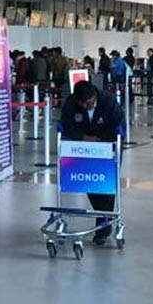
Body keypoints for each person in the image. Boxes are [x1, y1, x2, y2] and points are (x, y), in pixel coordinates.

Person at [58, 80, 125, 245]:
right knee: (89, 182)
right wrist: (83, 138)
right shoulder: (72, 103)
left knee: (106, 185)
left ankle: (102, 228)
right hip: (83, 148)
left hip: (107, 147)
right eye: (82, 103)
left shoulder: (108, 101)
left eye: (88, 103)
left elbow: (118, 124)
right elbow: (67, 124)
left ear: (94, 96)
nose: (86, 106)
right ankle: (104, 218)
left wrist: (104, 140)